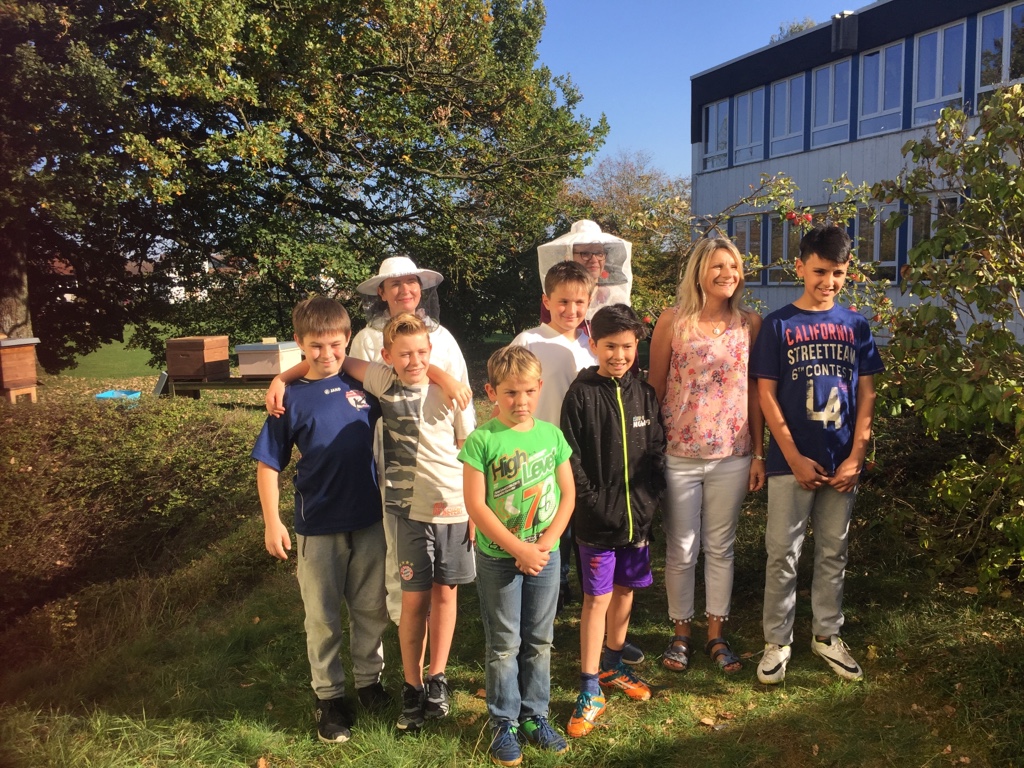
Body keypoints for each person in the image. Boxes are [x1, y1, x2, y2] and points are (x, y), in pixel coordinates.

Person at [267, 255, 475, 626]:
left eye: (410, 282)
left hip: (441, 457)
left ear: (421, 288)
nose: (404, 290)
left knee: (431, 552)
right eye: (395, 284)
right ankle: (400, 612)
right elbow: (336, 364)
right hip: (385, 452)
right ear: (381, 292)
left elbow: (458, 393)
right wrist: (282, 378)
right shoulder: (365, 339)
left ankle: (422, 613)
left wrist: (445, 381)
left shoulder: (443, 337)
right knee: (395, 537)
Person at [252, 297, 391, 745]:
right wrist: (272, 522)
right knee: (323, 618)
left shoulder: (364, 386)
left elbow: (410, 383)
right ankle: (329, 697)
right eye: (315, 346)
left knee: (371, 609)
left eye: (334, 344)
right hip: (319, 526)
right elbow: (268, 465)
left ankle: (370, 684)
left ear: (347, 339)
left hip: (369, 520)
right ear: (299, 342)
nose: (326, 353)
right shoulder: (289, 399)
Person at [750, 224, 883, 685]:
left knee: (833, 551)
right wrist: (791, 455)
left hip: (841, 461)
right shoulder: (778, 324)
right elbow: (766, 395)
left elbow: (866, 394)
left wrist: (857, 456)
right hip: (792, 461)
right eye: (820, 271)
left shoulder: (856, 325)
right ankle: (777, 640)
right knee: (782, 554)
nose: (829, 281)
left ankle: (826, 634)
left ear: (848, 273)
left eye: (838, 273)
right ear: (800, 268)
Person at [338, 313, 475, 733]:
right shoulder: (383, 381)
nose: (414, 361)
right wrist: (280, 378)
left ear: (431, 351)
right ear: (387, 356)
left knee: (445, 596)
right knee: (414, 602)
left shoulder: (452, 391)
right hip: (407, 512)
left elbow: (470, 453)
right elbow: (341, 359)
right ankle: (412, 686)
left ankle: (438, 678)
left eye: (421, 353)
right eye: (404, 354)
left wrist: (476, 509)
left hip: (454, 509)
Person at [646, 237, 766, 675]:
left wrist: (759, 453)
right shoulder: (673, 321)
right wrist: (648, 449)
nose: (727, 274)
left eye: (733, 267)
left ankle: (717, 633)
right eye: (717, 266)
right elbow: (655, 386)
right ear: (699, 271)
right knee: (681, 549)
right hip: (678, 452)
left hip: (732, 454)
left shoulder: (750, 324)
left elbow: (755, 391)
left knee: (720, 547)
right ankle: (681, 633)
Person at [458, 345, 575, 767]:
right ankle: (503, 722)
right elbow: (476, 505)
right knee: (505, 644)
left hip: (545, 556)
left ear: (539, 388)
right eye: (509, 392)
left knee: (540, 640)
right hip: (499, 559)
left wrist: (544, 545)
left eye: (528, 391)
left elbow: (568, 495)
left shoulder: (552, 436)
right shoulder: (482, 440)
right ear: (491, 392)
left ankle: (535, 715)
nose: (520, 401)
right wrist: (518, 549)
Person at [559, 304, 665, 739]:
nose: (618, 355)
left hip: (637, 521)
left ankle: (613, 664)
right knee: (596, 600)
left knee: (625, 592)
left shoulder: (646, 394)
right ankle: (589, 688)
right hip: (596, 524)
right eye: (609, 346)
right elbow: (570, 456)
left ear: (636, 345)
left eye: (626, 346)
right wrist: (593, 502)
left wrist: (650, 498)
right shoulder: (580, 395)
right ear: (593, 344)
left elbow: (656, 449)